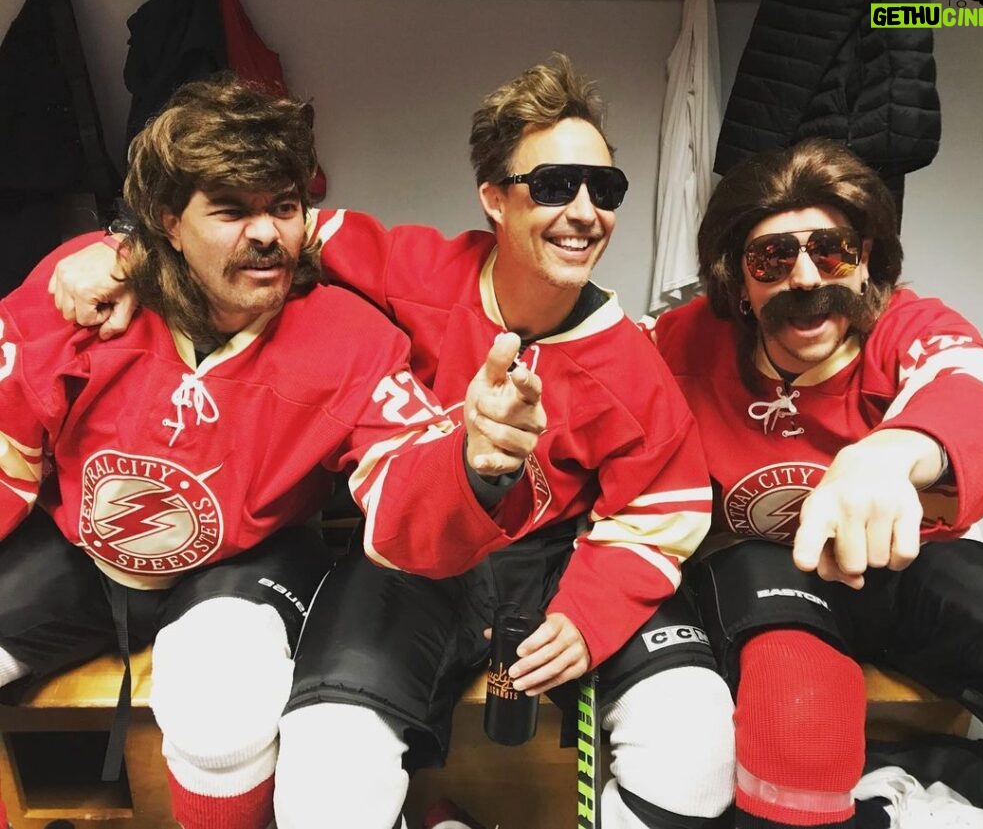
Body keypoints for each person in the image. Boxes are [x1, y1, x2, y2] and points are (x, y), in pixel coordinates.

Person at [47, 56, 736, 829]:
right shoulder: (405, 266)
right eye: (552, 186)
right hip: (411, 564)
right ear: (493, 200)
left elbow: (664, 510)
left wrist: (588, 613)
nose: (584, 211)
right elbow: (257, 230)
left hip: (557, 565)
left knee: (696, 739)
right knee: (329, 765)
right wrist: (123, 245)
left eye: (604, 190)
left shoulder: (634, 367)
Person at [0, 76, 546, 829]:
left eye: (283, 207)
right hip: (84, 558)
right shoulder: (85, 293)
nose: (266, 234)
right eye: (230, 209)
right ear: (168, 221)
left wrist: (475, 462)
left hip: (242, 560)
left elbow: (405, 480)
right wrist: (111, 253)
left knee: (220, 706)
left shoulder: (347, 338)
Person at [649, 137, 983, 829]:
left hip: (896, 567)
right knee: (799, 707)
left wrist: (885, 453)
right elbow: (587, 383)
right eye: (772, 257)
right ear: (738, 279)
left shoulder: (900, 325)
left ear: (865, 262)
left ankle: (940, 779)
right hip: (761, 569)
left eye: (831, 250)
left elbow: (981, 379)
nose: (803, 276)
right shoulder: (683, 340)